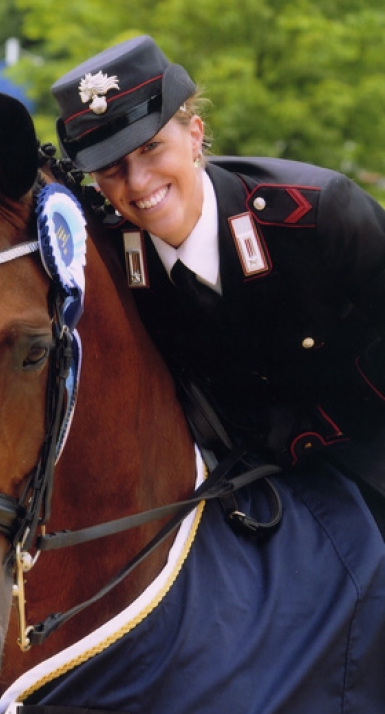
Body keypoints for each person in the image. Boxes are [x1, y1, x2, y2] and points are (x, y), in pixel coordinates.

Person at [51, 35, 385, 533]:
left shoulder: (313, 213)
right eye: (111, 168)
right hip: (224, 496)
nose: (138, 183)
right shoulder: (105, 254)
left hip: (365, 465)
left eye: (151, 148)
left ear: (195, 135)